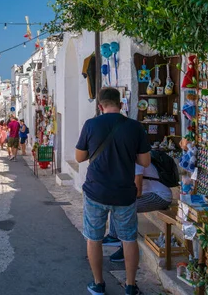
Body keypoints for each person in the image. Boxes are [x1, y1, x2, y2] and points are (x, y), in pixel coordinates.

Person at [75, 87, 151, 295]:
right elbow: (144, 161)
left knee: (94, 237)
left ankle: (98, 284)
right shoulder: (135, 127)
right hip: (124, 193)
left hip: (96, 191)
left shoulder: (91, 125)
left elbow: (79, 157)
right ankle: (130, 286)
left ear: (100, 106)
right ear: (120, 104)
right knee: (128, 239)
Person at [104, 155, 173, 262]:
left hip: (160, 196)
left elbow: (137, 191)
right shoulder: (124, 158)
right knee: (118, 201)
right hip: (148, 194)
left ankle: (124, 248)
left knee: (126, 207)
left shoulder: (136, 161)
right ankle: (114, 236)